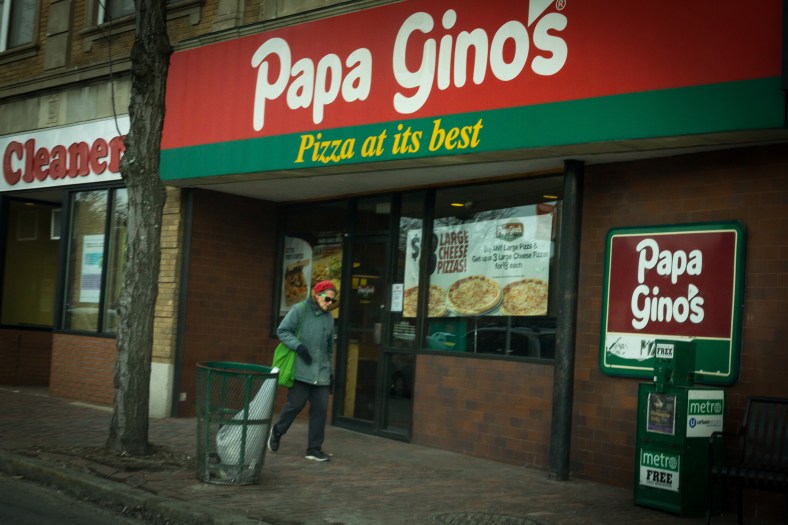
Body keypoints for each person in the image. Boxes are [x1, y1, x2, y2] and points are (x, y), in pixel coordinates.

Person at [268, 280, 337, 461]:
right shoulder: (300, 310)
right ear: (316, 295)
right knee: (294, 405)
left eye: (333, 301)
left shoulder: (329, 319)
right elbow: (282, 331)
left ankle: (313, 449)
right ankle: (277, 431)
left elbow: (329, 349)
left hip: (321, 373)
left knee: (320, 410)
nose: (330, 303)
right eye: (327, 299)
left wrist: (330, 372)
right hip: (301, 368)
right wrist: (298, 347)